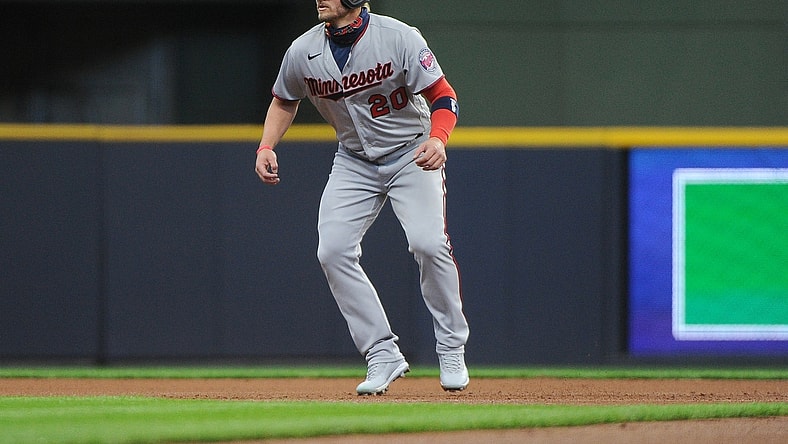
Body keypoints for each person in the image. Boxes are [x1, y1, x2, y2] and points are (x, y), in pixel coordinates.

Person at [255, 0, 469, 395]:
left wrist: (439, 139)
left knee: (428, 243)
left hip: (411, 151)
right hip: (354, 159)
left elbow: (443, 95)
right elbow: (284, 99)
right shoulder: (303, 50)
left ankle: (451, 346)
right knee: (332, 250)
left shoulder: (399, 37)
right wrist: (267, 144)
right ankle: (381, 352)